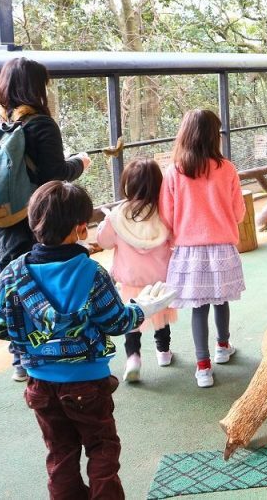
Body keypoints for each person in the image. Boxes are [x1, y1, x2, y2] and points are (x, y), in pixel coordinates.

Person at [0, 181, 175, 500]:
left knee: (60, 454)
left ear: (33, 222)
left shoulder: (12, 274)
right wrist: (142, 309)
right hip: (87, 383)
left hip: (40, 383)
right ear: (80, 228)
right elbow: (116, 322)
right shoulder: (91, 272)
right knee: (102, 449)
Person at [0, 57, 91, 381]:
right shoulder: (40, 124)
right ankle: (52, 355)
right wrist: (80, 163)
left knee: (14, 290)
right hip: (34, 223)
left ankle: (20, 359)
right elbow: (54, 175)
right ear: (36, 87)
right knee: (43, 290)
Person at [159, 109, 246, 388]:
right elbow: (239, 213)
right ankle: (223, 346)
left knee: (199, 308)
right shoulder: (227, 169)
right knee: (221, 299)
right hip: (221, 247)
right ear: (212, 136)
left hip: (189, 251)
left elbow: (167, 216)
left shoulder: (174, 171)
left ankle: (203, 367)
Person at [96, 158, 177, 383]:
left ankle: (133, 358)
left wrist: (104, 224)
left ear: (127, 185)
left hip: (130, 281)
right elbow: (174, 239)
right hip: (159, 279)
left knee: (131, 321)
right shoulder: (163, 213)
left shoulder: (117, 215)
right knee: (160, 316)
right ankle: (164, 352)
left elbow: (104, 242)